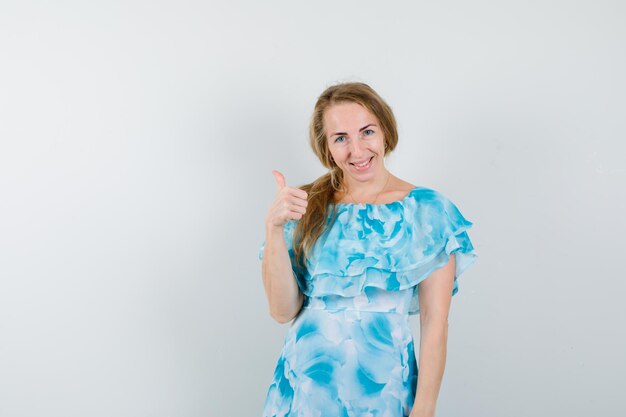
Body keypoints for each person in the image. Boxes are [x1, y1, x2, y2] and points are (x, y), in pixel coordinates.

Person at [258, 82, 478, 417]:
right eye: (341, 138)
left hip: (385, 393)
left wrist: (425, 407)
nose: (357, 150)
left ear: (385, 131)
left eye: (367, 132)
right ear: (327, 147)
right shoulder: (302, 206)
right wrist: (274, 229)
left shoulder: (428, 213)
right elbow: (282, 311)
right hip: (304, 392)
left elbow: (435, 322)